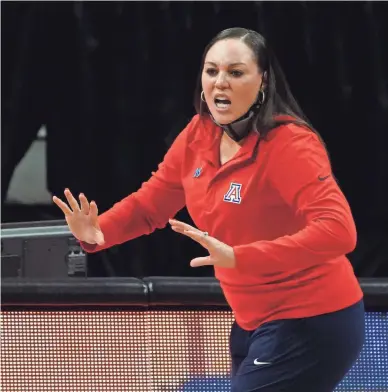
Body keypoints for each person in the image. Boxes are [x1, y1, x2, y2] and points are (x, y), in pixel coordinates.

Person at [53, 27, 365, 391]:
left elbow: (338, 231)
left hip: (312, 318)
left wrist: (240, 257)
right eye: (211, 70)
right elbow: (151, 203)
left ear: (263, 80)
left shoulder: (290, 144)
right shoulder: (199, 133)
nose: (220, 83)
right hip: (251, 321)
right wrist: (99, 232)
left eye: (235, 72)